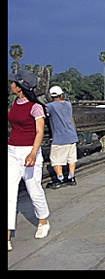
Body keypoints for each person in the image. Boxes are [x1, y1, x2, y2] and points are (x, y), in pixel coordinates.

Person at [8, 70, 51, 252]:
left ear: (20, 86)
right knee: (9, 192)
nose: (10, 85)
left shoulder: (36, 107)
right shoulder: (14, 103)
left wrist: (33, 153)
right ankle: (8, 234)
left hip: (29, 151)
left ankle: (43, 220)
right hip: (12, 150)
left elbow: (40, 132)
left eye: (13, 83)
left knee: (33, 188)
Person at [45, 86, 79, 189]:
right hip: (72, 135)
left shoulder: (50, 106)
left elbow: (45, 113)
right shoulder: (68, 105)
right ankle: (71, 177)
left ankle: (60, 179)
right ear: (61, 95)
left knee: (55, 160)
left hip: (60, 137)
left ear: (50, 96)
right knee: (71, 158)